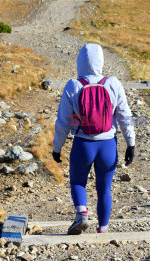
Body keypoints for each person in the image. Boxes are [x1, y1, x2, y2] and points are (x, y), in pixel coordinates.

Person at [52, 43, 136, 235]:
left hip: (83, 144)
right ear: (101, 61)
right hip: (108, 145)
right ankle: (103, 229)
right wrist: (131, 143)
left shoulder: (73, 85)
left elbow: (62, 122)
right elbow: (125, 116)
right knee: (105, 190)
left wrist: (57, 148)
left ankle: (81, 213)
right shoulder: (113, 83)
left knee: (78, 183)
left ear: (79, 62)